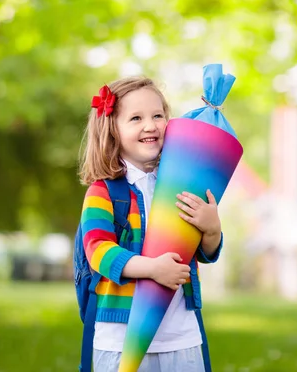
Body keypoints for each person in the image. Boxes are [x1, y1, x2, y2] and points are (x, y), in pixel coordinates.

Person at [78, 76, 223, 372]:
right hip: (120, 339)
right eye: (136, 118)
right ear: (112, 131)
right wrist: (153, 268)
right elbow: (98, 251)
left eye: (158, 115)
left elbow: (203, 252)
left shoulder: (182, 184)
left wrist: (212, 229)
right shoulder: (104, 192)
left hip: (181, 336)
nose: (150, 125)